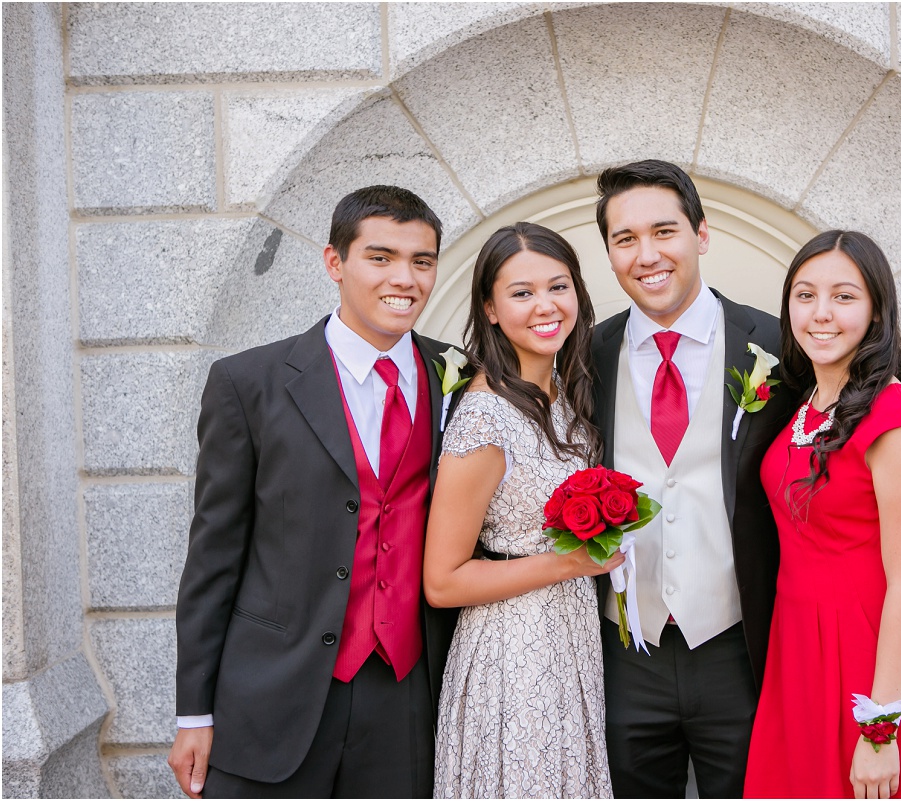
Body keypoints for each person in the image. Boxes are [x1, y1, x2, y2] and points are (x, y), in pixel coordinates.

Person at [168, 186, 459, 798]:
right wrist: (194, 712)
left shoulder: (461, 378)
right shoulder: (248, 383)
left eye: (422, 260)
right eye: (380, 257)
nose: (403, 278)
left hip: (409, 690)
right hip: (276, 689)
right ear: (335, 262)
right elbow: (213, 556)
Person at [589, 160, 799, 798]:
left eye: (664, 231)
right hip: (624, 652)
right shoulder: (584, 355)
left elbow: (848, 434)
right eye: (625, 240)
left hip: (740, 646)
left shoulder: (779, 345)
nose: (646, 255)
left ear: (701, 235)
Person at [743, 230, 901, 798]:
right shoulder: (803, 402)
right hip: (797, 649)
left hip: (866, 655)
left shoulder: (892, 418)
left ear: (875, 310)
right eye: (805, 295)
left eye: (844, 296)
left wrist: (880, 727)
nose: (821, 314)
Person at [423, 222, 621, 798]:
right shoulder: (484, 420)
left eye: (558, 287)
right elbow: (442, 580)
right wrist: (572, 564)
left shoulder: (567, 393)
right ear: (489, 307)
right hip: (512, 653)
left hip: (573, 637)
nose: (545, 306)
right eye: (521, 292)